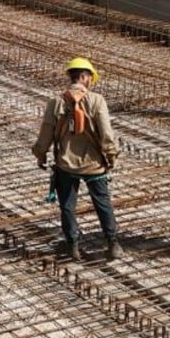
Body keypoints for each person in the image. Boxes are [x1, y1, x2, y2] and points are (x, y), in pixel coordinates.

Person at [33, 57, 121, 261]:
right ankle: (113, 243)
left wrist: (40, 154)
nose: (91, 81)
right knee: (103, 203)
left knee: (67, 206)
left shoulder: (56, 102)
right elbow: (107, 134)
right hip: (94, 165)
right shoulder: (97, 100)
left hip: (66, 164)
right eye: (90, 77)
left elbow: (45, 134)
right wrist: (111, 156)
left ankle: (72, 245)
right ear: (83, 76)